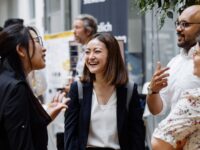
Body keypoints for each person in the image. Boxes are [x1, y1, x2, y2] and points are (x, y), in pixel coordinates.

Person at [64, 32, 145, 150]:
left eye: (97, 51)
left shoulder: (129, 90)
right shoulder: (78, 89)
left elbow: (137, 138)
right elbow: (70, 136)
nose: (90, 57)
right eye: (87, 52)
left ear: (111, 55)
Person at [0, 24, 69, 150]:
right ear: (21, 50)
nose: (44, 49)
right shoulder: (16, 88)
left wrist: (45, 117)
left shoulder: (5, 79)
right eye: (37, 41)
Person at [146, 5, 200, 150]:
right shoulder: (175, 63)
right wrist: (154, 91)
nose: (178, 29)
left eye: (185, 24)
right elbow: (157, 110)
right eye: (178, 23)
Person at [64, 14, 98, 93]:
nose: (73, 31)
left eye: (77, 27)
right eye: (73, 28)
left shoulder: (96, 52)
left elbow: (94, 81)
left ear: (88, 31)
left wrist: (73, 88)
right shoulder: (83, 49)